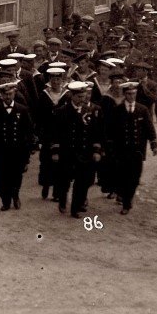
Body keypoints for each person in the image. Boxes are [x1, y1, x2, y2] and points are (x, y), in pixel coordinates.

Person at [54, 81, 105, 217]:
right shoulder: (62, 112)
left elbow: (96, 133)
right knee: (64, 180)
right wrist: (55, 151)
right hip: (67, 153)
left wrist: (96, 151)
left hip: (84, 153)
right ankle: (62, 199)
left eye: (84, 96)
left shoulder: (89, 113)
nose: (82, 100)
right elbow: (55, 134)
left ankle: (75, 208)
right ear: (71, 95)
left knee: (82, 181)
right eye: (79, 97)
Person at [112, 81, 157, 214]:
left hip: (137, 150)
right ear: (124, 95)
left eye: (133, 94)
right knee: (123, 176)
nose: (131, 96)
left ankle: (127, 197)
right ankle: (126, 203)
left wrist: (154, 145)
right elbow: (112, 130)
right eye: (128, 94)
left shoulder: (142, 110)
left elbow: (150, 129)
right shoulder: (118, 110)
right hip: (122, 150)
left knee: (135, 177)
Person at [0, 81, 34, 211]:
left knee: (17, 174)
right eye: (5, 95)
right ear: (1, 96)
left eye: (10, 94)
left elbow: (28, 131)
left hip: (18, 149)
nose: (8, 97)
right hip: (2, 149)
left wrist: (29, 148)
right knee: (3, 175)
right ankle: (5, 201)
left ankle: (16, 195)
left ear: (14, 94)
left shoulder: (22, 110)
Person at [34, 67, 69, 201]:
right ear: (50, 80)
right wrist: (38, 132)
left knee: (61, 162)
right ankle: (46, 185)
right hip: (47, 133)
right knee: (46, 161)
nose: (56, 82)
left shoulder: (67, 95)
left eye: (58, 79)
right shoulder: (44, 95)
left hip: (62, 132)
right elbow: (38, 115)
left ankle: (57, 193)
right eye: (53, 79)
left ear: (62, 80)